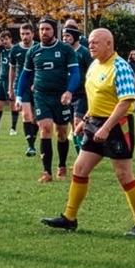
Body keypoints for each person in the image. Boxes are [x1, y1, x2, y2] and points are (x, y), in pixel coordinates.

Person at [41, 28, 135, 236]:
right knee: (80, 169)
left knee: (124, 175)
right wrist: (85, 120)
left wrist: (107, 127)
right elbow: (97, 98)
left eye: (95, 42)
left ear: (109, 44)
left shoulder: (120, 67)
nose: (90, 45)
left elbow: (126, 101)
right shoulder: (94, 66)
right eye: (89, 42)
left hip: (118, 126)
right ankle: (69, 218)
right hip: (95, 123)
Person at [16, 18, 80, 182]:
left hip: (61, 97)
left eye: (47, 29)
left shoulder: (65, 49)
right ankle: (47, 172)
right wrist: (18, 96)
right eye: (41, 29)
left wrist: (69, 91)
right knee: (45, 129)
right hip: (41, 96)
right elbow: (25, 75)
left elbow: (75, 73)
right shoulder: (33, 51)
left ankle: (62, 164)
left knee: (61, 134)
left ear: (54, 30)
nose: (44, 32)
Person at [62, 24, 92, 155]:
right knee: (73, 126)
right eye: (63, 36)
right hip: (67, 93)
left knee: (78, 122)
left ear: (75, 37)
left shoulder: (84, 52)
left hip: (81, 94)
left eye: (68, 36)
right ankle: (79, 155)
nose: (65, 38)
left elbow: (91, 70)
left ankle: (83, 155)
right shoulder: (63, 52)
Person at [10, 23, 38, 157]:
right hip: (22, 86)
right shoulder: (15, 50)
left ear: (33, 33)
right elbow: (12, 69)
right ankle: (30, 146)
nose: (25, 36)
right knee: (26, 115)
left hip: (38, 86)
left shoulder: (38, 47)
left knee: (36, 118)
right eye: (22, 34)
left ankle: (33, 140)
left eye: (27, 34)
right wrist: (11, 88)